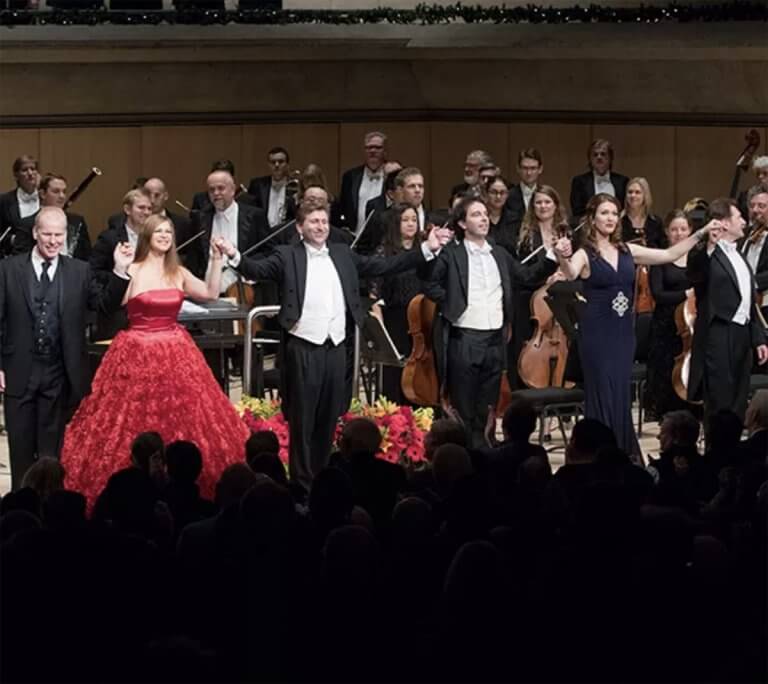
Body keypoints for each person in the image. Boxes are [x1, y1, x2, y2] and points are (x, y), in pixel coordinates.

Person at [216, 203, 449, 492]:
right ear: (299, 227)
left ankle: (321, 479)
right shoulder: (287, 255)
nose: (320, 226)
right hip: (304, 346)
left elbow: (383, 266)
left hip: (336, 346)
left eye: (324, 222)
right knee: (303, 419)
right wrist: (233, 253)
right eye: (313, 221)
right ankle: (301, 485)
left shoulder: (342, 253)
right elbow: (257, 268)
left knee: (329, 416)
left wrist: (427, 248)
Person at [60, 214, 250, 507]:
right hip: (137, 351)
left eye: (168, 232)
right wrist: (119, 270)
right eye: (158, 231)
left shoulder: (178, 271)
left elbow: (210, 293)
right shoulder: (133, 269)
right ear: (147, 236)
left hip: (176, 351)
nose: (164, 236)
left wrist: (215, 260)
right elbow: (110, 305)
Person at [556, 193, 712, 460]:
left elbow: (669, 253)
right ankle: (598, 455)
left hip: (622, 335)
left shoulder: (628, 250)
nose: (610, 218)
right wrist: (562, 256)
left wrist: (701, 233)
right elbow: (570, 273)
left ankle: (622, 453)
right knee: (602, 392)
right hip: (596, 334)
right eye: (604, 213)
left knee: (620, 394)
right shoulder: (585, 253)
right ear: (592, 218)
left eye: (614, 213)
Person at [0, 207, 132, 489]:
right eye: (47, 234)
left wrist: (120, 271)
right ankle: (21, 506)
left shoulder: (79, 270)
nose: (53, 241)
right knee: (20, 451)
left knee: (52, 456)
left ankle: (50, 506)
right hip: (18, 372)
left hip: (60, 374)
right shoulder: (7, 269)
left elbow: (105, 306)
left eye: (58, 235)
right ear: (35, 233)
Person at [423, 195, 570, 448]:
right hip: (465, 336)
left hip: (495, 337)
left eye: (484, 214)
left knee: (487, 404)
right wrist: (451, 304)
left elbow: (526, 276)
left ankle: (484, 449)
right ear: (462, 223)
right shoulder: (451, 254)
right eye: (475, 215)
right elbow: (429, 283)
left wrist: (551, 255)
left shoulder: (499, 253)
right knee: (464, 404)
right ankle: (465, 453)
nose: (483, 219)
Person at [686, 197, 768, 423]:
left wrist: (758, 339)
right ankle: (717, 444)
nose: (744, 221)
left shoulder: (739, 253)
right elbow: (695, 273)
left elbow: (748, 301)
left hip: (742, 335)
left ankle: (733, 443)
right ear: (724, 223)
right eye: (738, 217)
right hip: (718, 336)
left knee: (738, 400)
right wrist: (709, 246)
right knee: (719, 402)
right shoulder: (706, 254)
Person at [509, 185, 570, 390]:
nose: (543, 206)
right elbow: (523, 273)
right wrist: (547, 276)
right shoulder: (524, 236)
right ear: (532, 207)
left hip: (557, 300)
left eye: (547, 202)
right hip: (529, 300)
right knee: (525, 347)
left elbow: (576, 264)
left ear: (556, 205)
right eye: (538, 203)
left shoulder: (566, 233)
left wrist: (563, 273)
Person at [368, 203, 425, 404]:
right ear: (395, 223)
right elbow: (374, 293)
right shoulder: (385, 252)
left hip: (422, 320)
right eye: (405, 220)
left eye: (414, 219)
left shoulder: (424, 250)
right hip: (395, 321)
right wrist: (380, 328)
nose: (411, 224)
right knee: (394, 375)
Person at [646, 210, 697, 420]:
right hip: (666, 324)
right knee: (666, 368)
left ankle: (693, 406)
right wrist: (686, 294)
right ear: (667, 232)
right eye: (674, 229)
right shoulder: (661, 259)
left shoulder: (696, 259)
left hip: (692, 322)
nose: (679, 233)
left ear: (690, 231)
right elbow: (658, 294)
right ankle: (667, 413)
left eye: (683, 229)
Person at [90, 188, 153, 339]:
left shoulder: (154, 237)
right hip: (118, 311)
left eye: (149, 208)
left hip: (148, 310)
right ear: (127, 209)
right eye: (141, 207)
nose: (146, 212)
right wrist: (122, 276)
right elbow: (93, 271)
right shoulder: (109, 238)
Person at [335, 131, 388, 233]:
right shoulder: (350, 177)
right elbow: (343, 206)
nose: (372, 151)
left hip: (385, 237)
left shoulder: (393, 176)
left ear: (385, 151)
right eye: (369, 147)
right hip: (355, 235)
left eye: (377, 147)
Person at [33, 173, 92, 261]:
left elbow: (87, 256)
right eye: (56, 191)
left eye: (64, 192)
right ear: (42, 194)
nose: (62, 196)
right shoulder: (28, 223)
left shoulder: (77, 222)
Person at [569, 139, 629, 221]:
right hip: (589, 226)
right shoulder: (579, 181)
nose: (599, 157)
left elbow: (627, 208)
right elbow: (577, 211)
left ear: (611, 158)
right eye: (595, 154)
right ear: (590, 159)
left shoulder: (623, 181)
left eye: (603, 154)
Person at [247, 146, 297, 227]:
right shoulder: (257, 185)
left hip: (285, 232)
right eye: (273, 162)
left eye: (281, 162)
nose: (276, 165)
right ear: (268, 165)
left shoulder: (294, 187)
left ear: (287, 165)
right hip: (262, 232)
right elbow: (250, 212)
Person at [0, 155, 40, 256]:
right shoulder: (4, 200)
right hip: (14, 255)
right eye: (24, 170)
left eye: (33, 169)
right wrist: (13, 239)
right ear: (16, 175)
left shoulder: (45, 198)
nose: (30, 173)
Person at [741, 184, 768, 323]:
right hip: (744, 301)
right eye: (752, 206)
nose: (755, 210)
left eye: (761, 206)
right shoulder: (743, 234)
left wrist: (750, 282)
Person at [504, 148, 544, 234]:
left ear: (540, 169)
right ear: (518, 169)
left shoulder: (547, 196)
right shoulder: (508, 196)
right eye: (525, 168)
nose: (529, 173)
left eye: (533, 168)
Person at [620, 177, 663, 248]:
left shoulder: (656, 222)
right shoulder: (619, 221)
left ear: (645, 196)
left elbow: (662, 249)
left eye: (637, 192)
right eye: (630, 192)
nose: (633, 195)